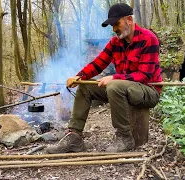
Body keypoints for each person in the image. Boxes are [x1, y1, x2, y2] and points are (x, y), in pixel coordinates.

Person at [46, 3, 162, 153]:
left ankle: (125, 137)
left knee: (114, 86)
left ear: (129, 20)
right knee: (86, 86)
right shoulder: (115, 43)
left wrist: (114, 77)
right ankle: (74, 137)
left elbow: (144, 75)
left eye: (116, 24)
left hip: (149, 90)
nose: (114, 29)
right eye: (112, 26)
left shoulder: (149, 39)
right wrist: (78, 76)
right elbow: (97, 64)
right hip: (125, 88)